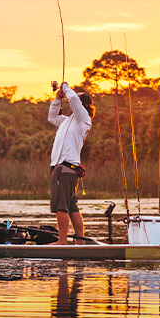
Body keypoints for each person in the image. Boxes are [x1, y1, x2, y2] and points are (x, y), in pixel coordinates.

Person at [48, 81, 95, 244]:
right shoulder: (67, 121)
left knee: (61, 206)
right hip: (64, 169)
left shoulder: (84, 119)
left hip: (65, 169)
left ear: (84, 106)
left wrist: (65, 87)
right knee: (72, 206)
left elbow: (74, 99)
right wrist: (57, 98)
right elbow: (52, 116)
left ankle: (62, 241)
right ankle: (80, 242)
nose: (70, 104)